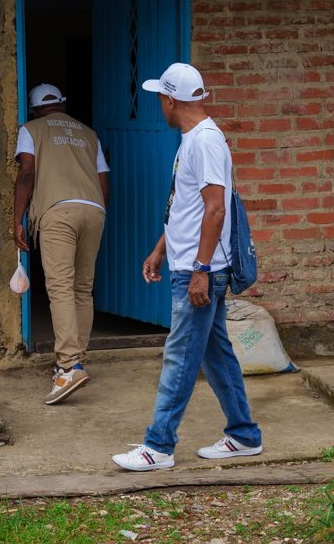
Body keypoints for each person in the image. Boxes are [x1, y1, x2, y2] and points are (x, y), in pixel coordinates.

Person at [112, 63, 263, 471]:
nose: (159, 105)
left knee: (179, 356)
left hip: (202, 272)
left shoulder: (205, 142)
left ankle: (158, 446)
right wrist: (161, 248)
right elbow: (186, 206)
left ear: (170, 99)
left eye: (159, 98)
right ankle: (244, 435)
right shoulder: (192, 140)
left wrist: (199, 269)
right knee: (216, 354)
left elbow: (216, 210)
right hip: (191, 265)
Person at [13, 83, 111, 403]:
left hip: (58, 212)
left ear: (34, 109)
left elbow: (26, 173)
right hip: (94, 210)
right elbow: (103, 186)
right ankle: (73, 362)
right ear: (63, 105)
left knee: (59, 287)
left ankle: (69, 368)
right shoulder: (89, 134)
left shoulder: (30, 128)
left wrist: (18, 219)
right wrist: (94, 214)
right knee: (83, 287)